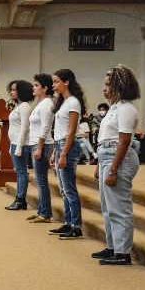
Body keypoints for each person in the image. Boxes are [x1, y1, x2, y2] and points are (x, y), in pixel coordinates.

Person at [93, 65, 141, 266]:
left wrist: (113, 169)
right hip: (106, 155)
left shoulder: (127, 109)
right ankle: (112, 246)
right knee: (107, 207)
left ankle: (123, 252)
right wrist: (99, 164)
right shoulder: (114, 108)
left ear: (120, 86)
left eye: (108, 85)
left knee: (119, 207)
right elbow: (105, 138)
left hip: (117, 158)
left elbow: (123, 141)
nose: (104, 89)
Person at [49, 69, 86, 240]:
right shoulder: (63, 102)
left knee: (69, 189)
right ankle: (68, 221)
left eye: (56, 82)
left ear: (67, 82)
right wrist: (56, 151)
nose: (53, 85)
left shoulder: (73, 102)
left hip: (68, 146)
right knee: (64, 189)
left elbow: (71, 131)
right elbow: (60, 130)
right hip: (60, 144)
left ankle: (76, 226)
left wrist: (63, 153)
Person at [27, 73, 55, 223]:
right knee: (39, 180)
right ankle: (42, 210)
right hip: (36, 143)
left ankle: (45, 213)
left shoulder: (47, 104)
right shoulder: (41, 103)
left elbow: (45, 127)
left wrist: (40, 147)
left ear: (45, 88)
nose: (34, 87)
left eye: (37, 85)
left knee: (42, 180)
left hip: (42, 144)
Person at [5, 80, 33, 211]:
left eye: (15, 90)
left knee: (22, 172)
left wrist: (20, 146)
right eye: (11, 89)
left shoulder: (25, 107)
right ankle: (19, 198)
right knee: (19, 172)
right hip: (15, 143)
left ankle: (20, 199)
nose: (12, 92)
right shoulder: (19, 106)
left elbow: (24, 128)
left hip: (21, 144)